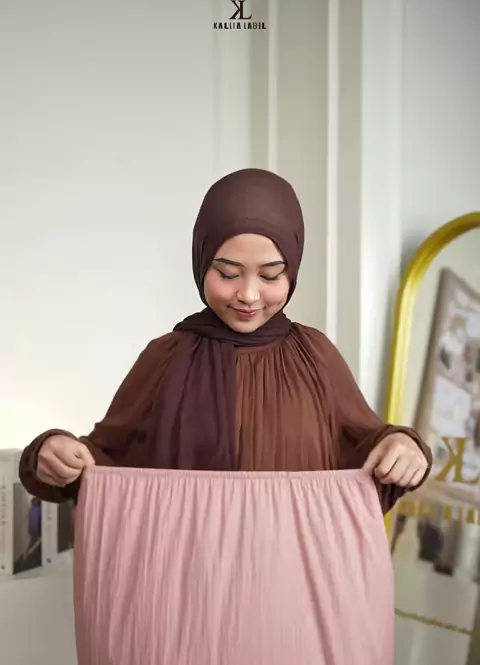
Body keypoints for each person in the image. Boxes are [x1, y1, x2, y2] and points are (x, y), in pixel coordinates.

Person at [20, 168, 431, 510]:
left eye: (270, 275)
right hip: (186, 572)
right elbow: (104, 462)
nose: (248, 295)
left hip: (291, 574)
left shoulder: (315, 356)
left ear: (293, 269)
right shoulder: (165, 358)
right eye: (228, 273)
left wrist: (402, 446)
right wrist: (53, 452)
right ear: (201, 263)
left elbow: (366, 448)